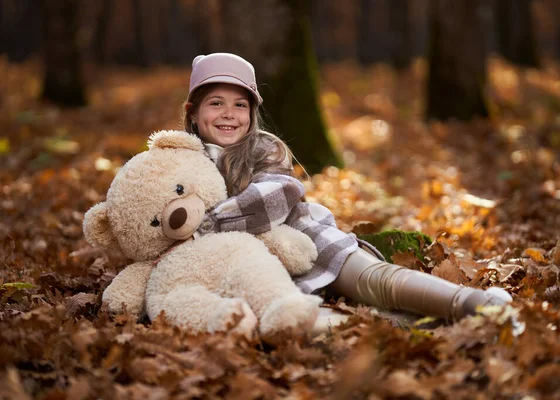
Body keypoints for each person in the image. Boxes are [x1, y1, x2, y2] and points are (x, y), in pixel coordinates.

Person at [182, 53, 512, 330]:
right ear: (193, 114)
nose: (229, 113)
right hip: (258, 272)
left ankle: (476, 305)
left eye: (240, 104)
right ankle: (444, 327)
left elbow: (276, 195)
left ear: (252, 114)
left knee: (376, 281)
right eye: (216, 102)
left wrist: (206, 224)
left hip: (306, 239)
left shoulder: (265, 149)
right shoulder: (180, 161)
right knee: (349, 319)